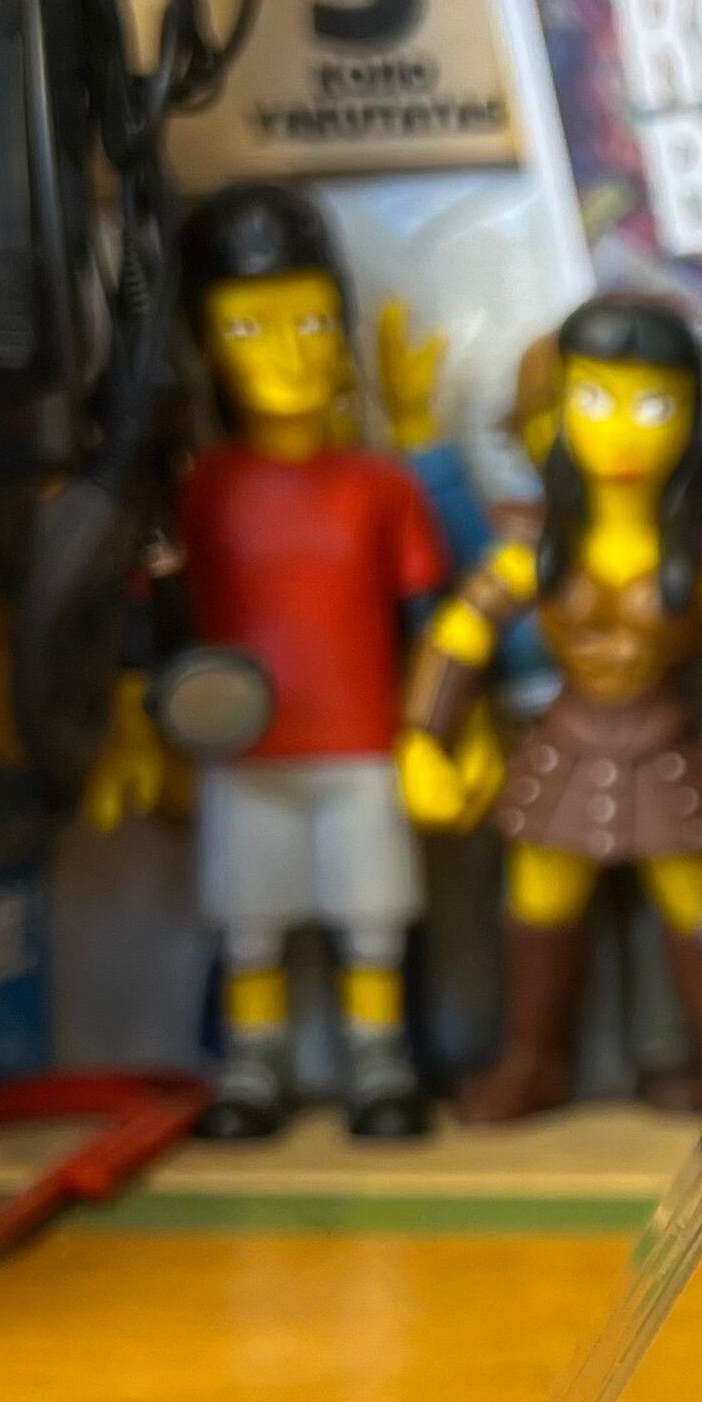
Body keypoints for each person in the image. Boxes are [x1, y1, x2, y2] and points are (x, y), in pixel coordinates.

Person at [82, 183, 451, 1140]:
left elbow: (436, 622)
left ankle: (380, 1060)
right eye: (249, 327)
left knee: (373, 919)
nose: (289, 354)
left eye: (312, 321)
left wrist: (439, 732)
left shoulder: (379, 485)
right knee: (251, 923)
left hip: (364, 748)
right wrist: (141, 728)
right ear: (203, 346)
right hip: (242, 750)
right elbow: (153, 620)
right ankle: (252, 1064)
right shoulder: (198, 490)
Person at [397, 295, 702, 1122]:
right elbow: (459, 634)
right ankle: (532, 1061)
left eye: (653, 405)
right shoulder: (538, 543)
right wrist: (421, 738)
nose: (621, 430)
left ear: (690, 415)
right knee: (539, 901)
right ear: (560, 406)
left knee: (695, 908)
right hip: (568, 745)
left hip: (667, 747)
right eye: (594, 398)